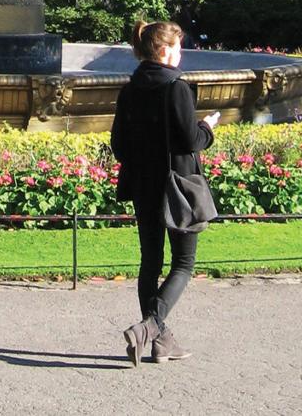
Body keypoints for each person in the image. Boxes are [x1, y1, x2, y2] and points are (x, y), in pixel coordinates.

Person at [110, 19, 221, 366]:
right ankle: (148, 328)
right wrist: (207, 127)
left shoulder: (129, 89)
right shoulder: (176, 87)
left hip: (144, 187)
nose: (180, 52)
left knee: (150, 263)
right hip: (179, 188)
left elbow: (118, 145)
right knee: (184, 264)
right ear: (164, 50)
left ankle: (160, 342)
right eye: (177, 45)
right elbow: (191, 141)